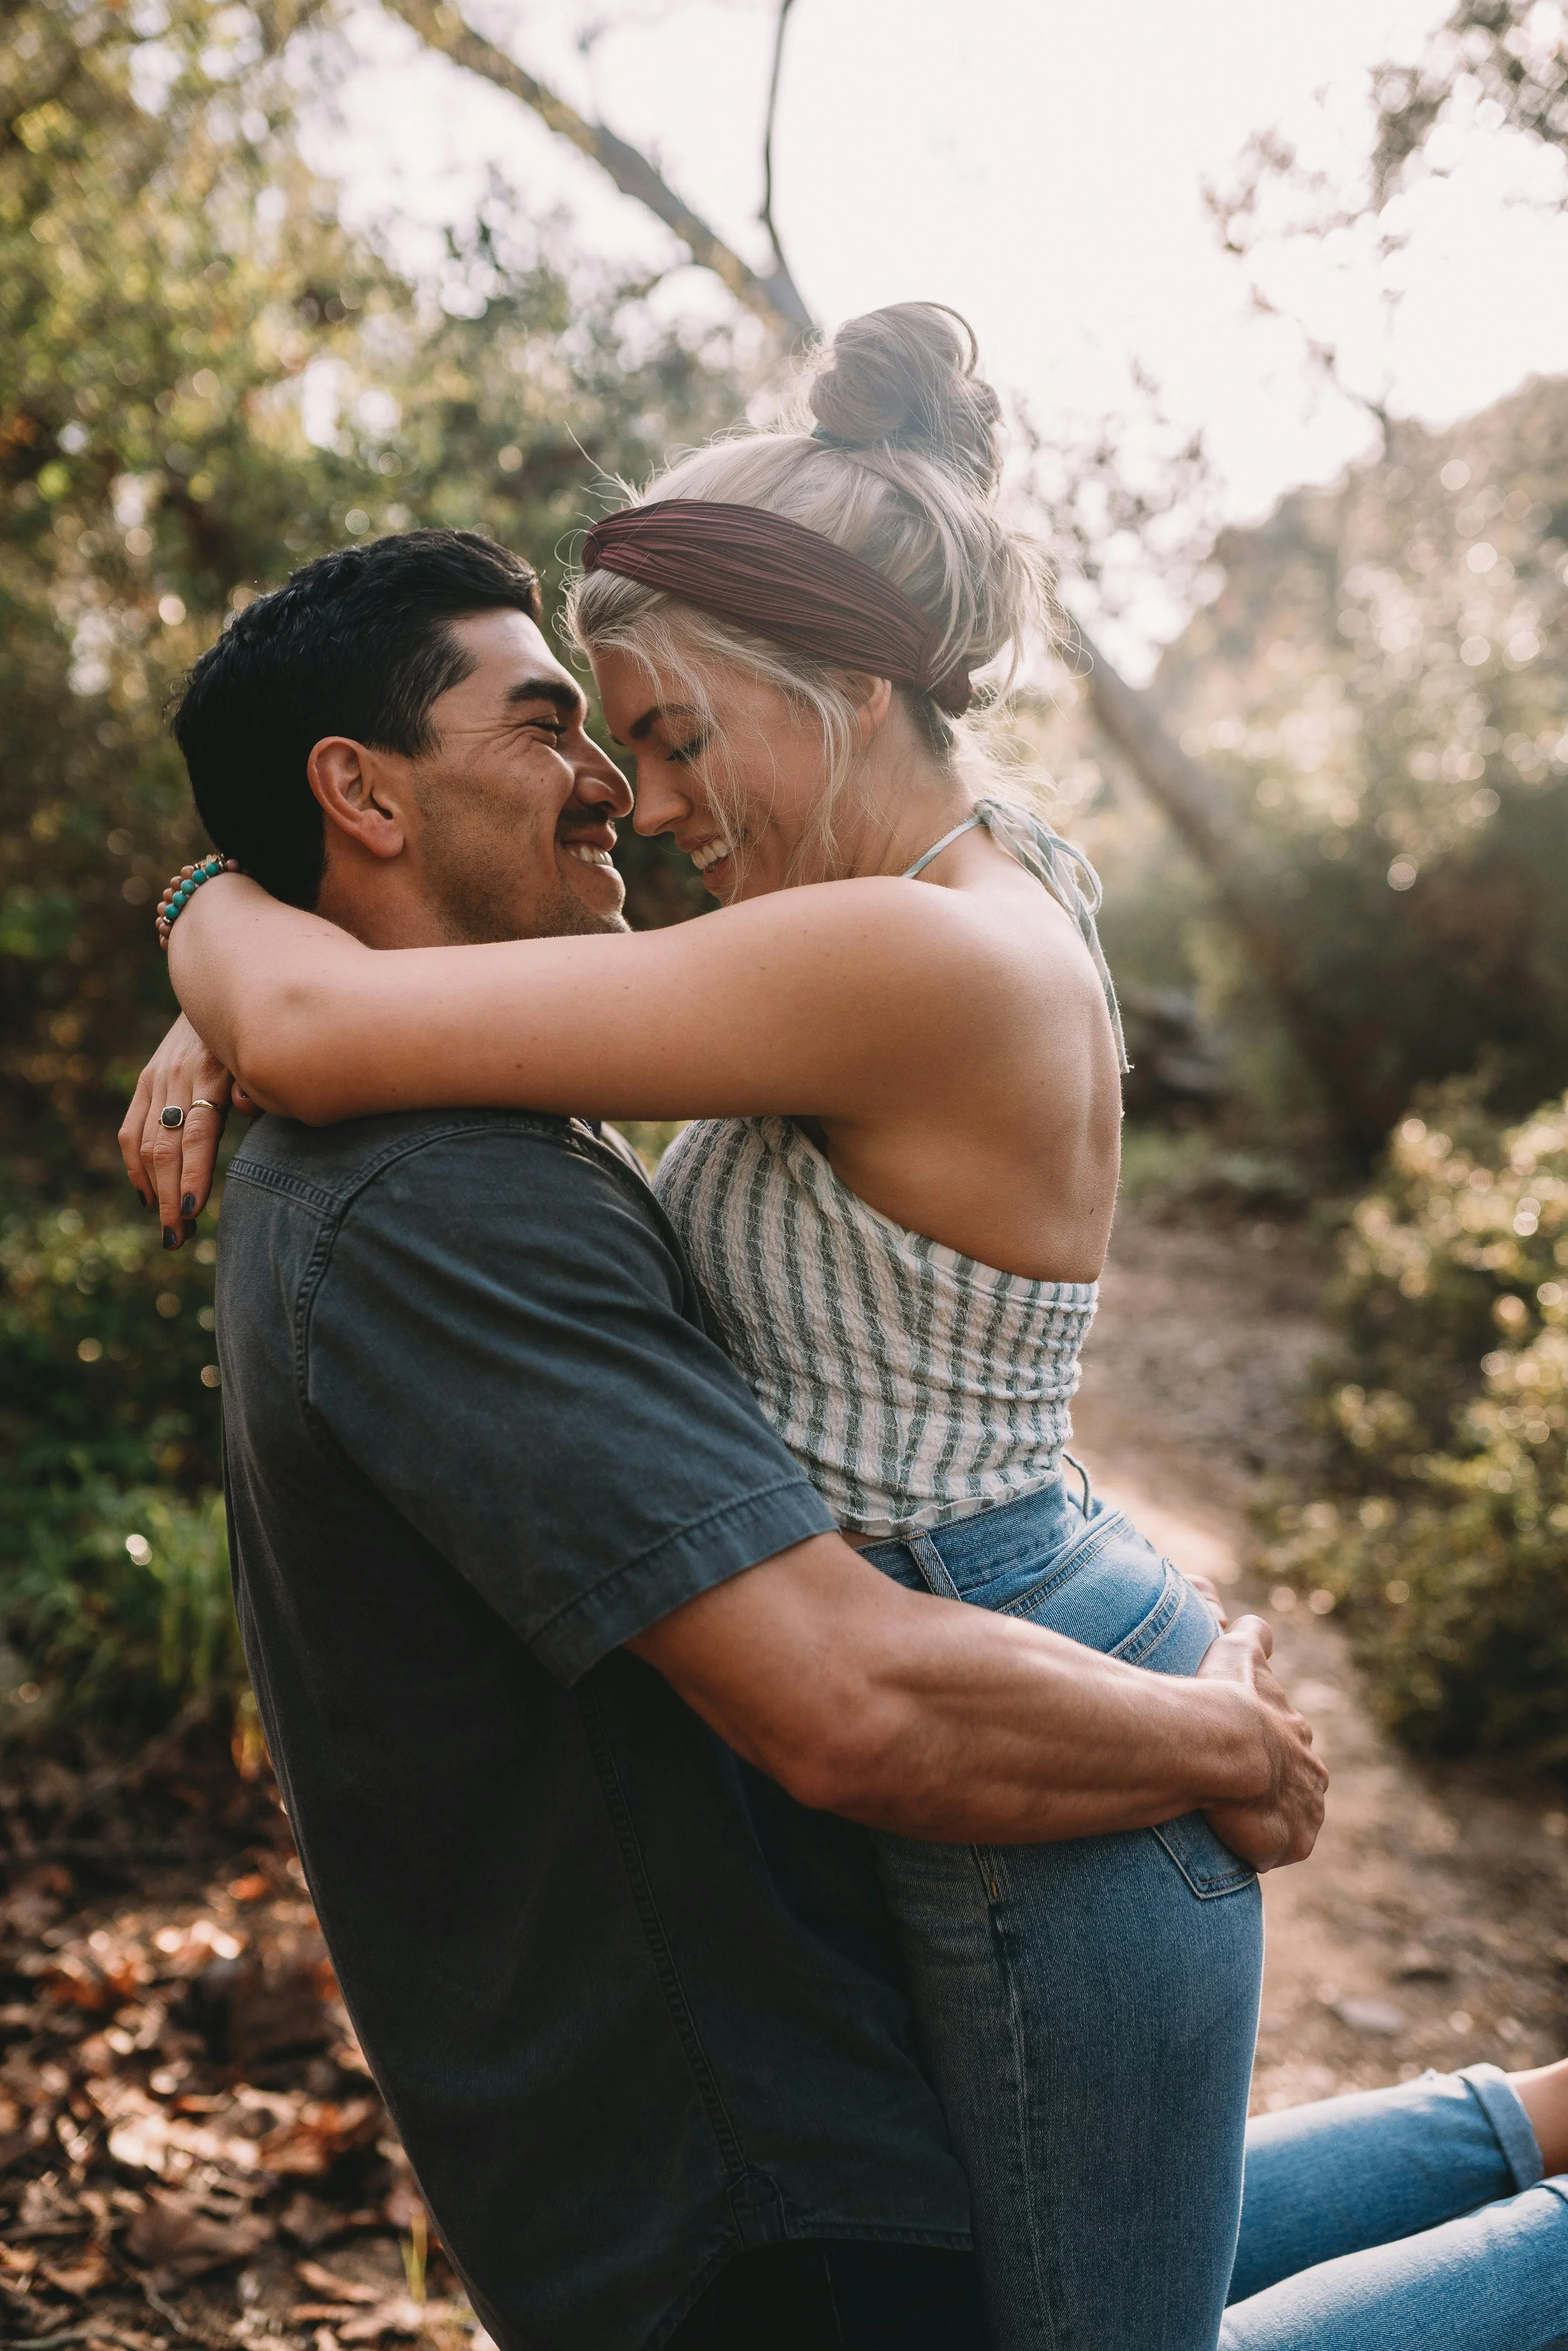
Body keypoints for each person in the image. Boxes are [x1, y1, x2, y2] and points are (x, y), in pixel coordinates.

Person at [132, 307, 1289, 2351]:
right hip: (1019, 1635)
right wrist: (243, 956)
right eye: (605, 737)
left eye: (666, 734)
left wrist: (208, 912)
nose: (641, 801)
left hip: (998, 1677)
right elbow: (370, 1019)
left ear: (832, 687)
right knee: (1109, 2265)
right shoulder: (977, 884)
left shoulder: (890, 954)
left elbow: (331, 1022)